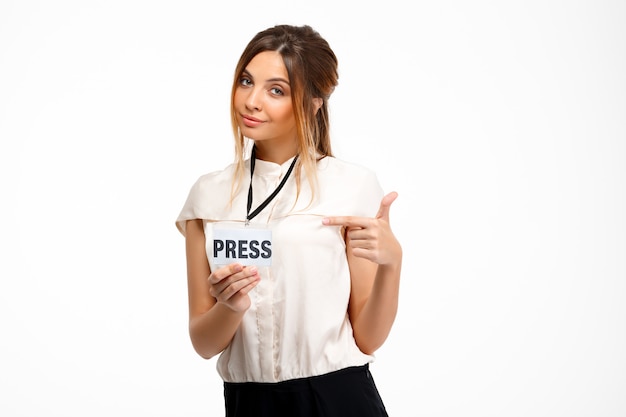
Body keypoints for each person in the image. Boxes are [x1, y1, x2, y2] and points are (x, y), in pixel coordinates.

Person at [175, 24, 402, 417]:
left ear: (314, 102)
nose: (251, 101)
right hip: (249, 404)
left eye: (275, 90)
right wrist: (230, 306)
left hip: (338, 398)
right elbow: (204, 343)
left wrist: (392, 263)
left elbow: (368, 338)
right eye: (246, 81)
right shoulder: (208, 196)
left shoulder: (351, 185)